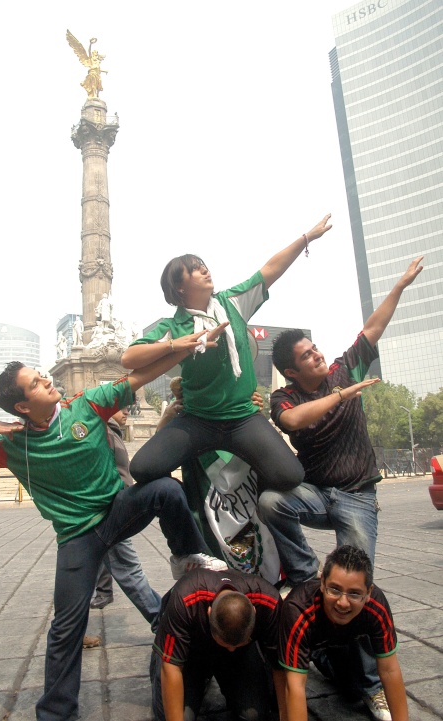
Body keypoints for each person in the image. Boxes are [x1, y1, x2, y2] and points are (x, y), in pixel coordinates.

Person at [0, 330, 227, 721]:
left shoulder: (85, 405)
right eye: (35, 382)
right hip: (77, 538)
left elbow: (139, 376)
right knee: (66, 626)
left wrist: (182, 347)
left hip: (117, 510)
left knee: (167, 489)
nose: (46, 379)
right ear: (22, 405)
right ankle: (56, 712)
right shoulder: (13, 445)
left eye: (41, 375)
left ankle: (188, 556)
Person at [257, 257, 423, 721]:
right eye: (307, 356)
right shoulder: (284, 397)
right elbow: (293, 420)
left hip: (357, 497)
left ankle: (371, 686)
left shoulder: (343, 367)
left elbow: (373, 327)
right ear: (292, 371)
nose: (317, 356)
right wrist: (342, 395)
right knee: (270, 502)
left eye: (315, 349)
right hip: (315, 493)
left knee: (357, 586)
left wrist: (400, 286)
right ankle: (304, 573)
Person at [122, 215, 332, 493]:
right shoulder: (173, 327)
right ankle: (186, 501)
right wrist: (179, 344)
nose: (204, 270)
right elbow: (129, 358)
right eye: (195, 269)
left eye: (203, 265)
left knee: (290, 475)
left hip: (243, 417)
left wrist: (307, 238)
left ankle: (251, 496)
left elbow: (270, 269)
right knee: (142, 469)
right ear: (180, 287)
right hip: (197, 419)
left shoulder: (232, 302)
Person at [276, 545, 408, 721]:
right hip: (307, 638)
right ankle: (310, 653)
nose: (343, 602)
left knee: (353, 691)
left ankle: (322, 657)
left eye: (354, 594)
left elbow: (389, 670)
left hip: (342, 641)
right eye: (334, 590)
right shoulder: (298, 609)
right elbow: (295, 686)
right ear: (322, 583)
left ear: (369, 592)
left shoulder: (376, 605)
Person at [151, 567, 282, 721]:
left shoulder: (268, 601)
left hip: (240, 657)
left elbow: (280, 667)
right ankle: (199, 680)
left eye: (239, 643)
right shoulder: (185, 598)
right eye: (225, 643)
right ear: (209, 613)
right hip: (190, 653)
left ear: (254, 611)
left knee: (254, 715)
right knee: (176, 715)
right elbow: (171, 668)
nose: (231, 649)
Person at [89, 406, 161, 630]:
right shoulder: (100, 431)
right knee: (128, 569)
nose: (127, 411)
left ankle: (73, 630)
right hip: (108, 512)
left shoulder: (113, 431)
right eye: (120, 407)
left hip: (114, 509)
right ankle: (162, 621)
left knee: (87, 570)